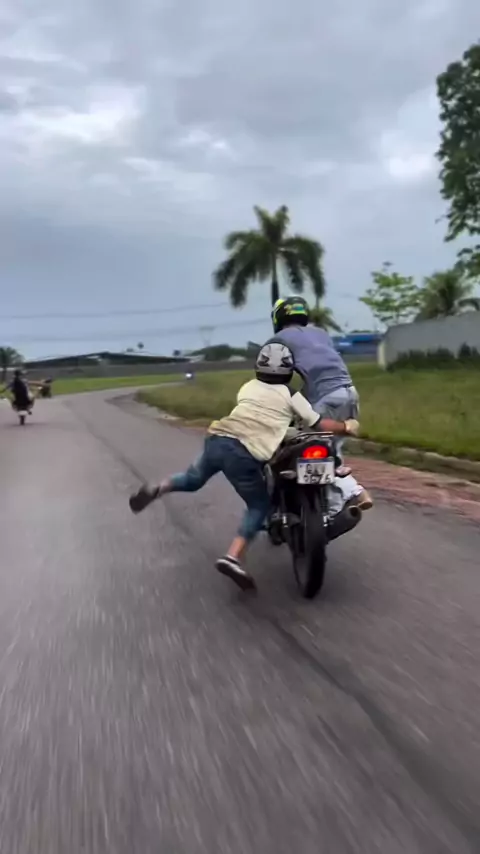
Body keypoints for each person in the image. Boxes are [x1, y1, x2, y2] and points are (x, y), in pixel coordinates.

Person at [129, 343, 359, 592]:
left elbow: (259, 414)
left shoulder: (248, 387)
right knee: (259, 506)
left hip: (218, 438)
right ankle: (233, 557)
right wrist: (346, 426)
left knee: (192, 479)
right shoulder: (291, 394)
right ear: (289, 370)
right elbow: (318, 423)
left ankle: (158, 488)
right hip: (243, 454)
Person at [267, 296, 373, 514]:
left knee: (310, 452)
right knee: (331, 451)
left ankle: (352, 494)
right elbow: (319, 373)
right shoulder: (321, 334)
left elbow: (274, 379)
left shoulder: (278, 340)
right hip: (349, 393)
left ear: (278, 318)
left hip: (326, 398)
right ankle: (334, 508)